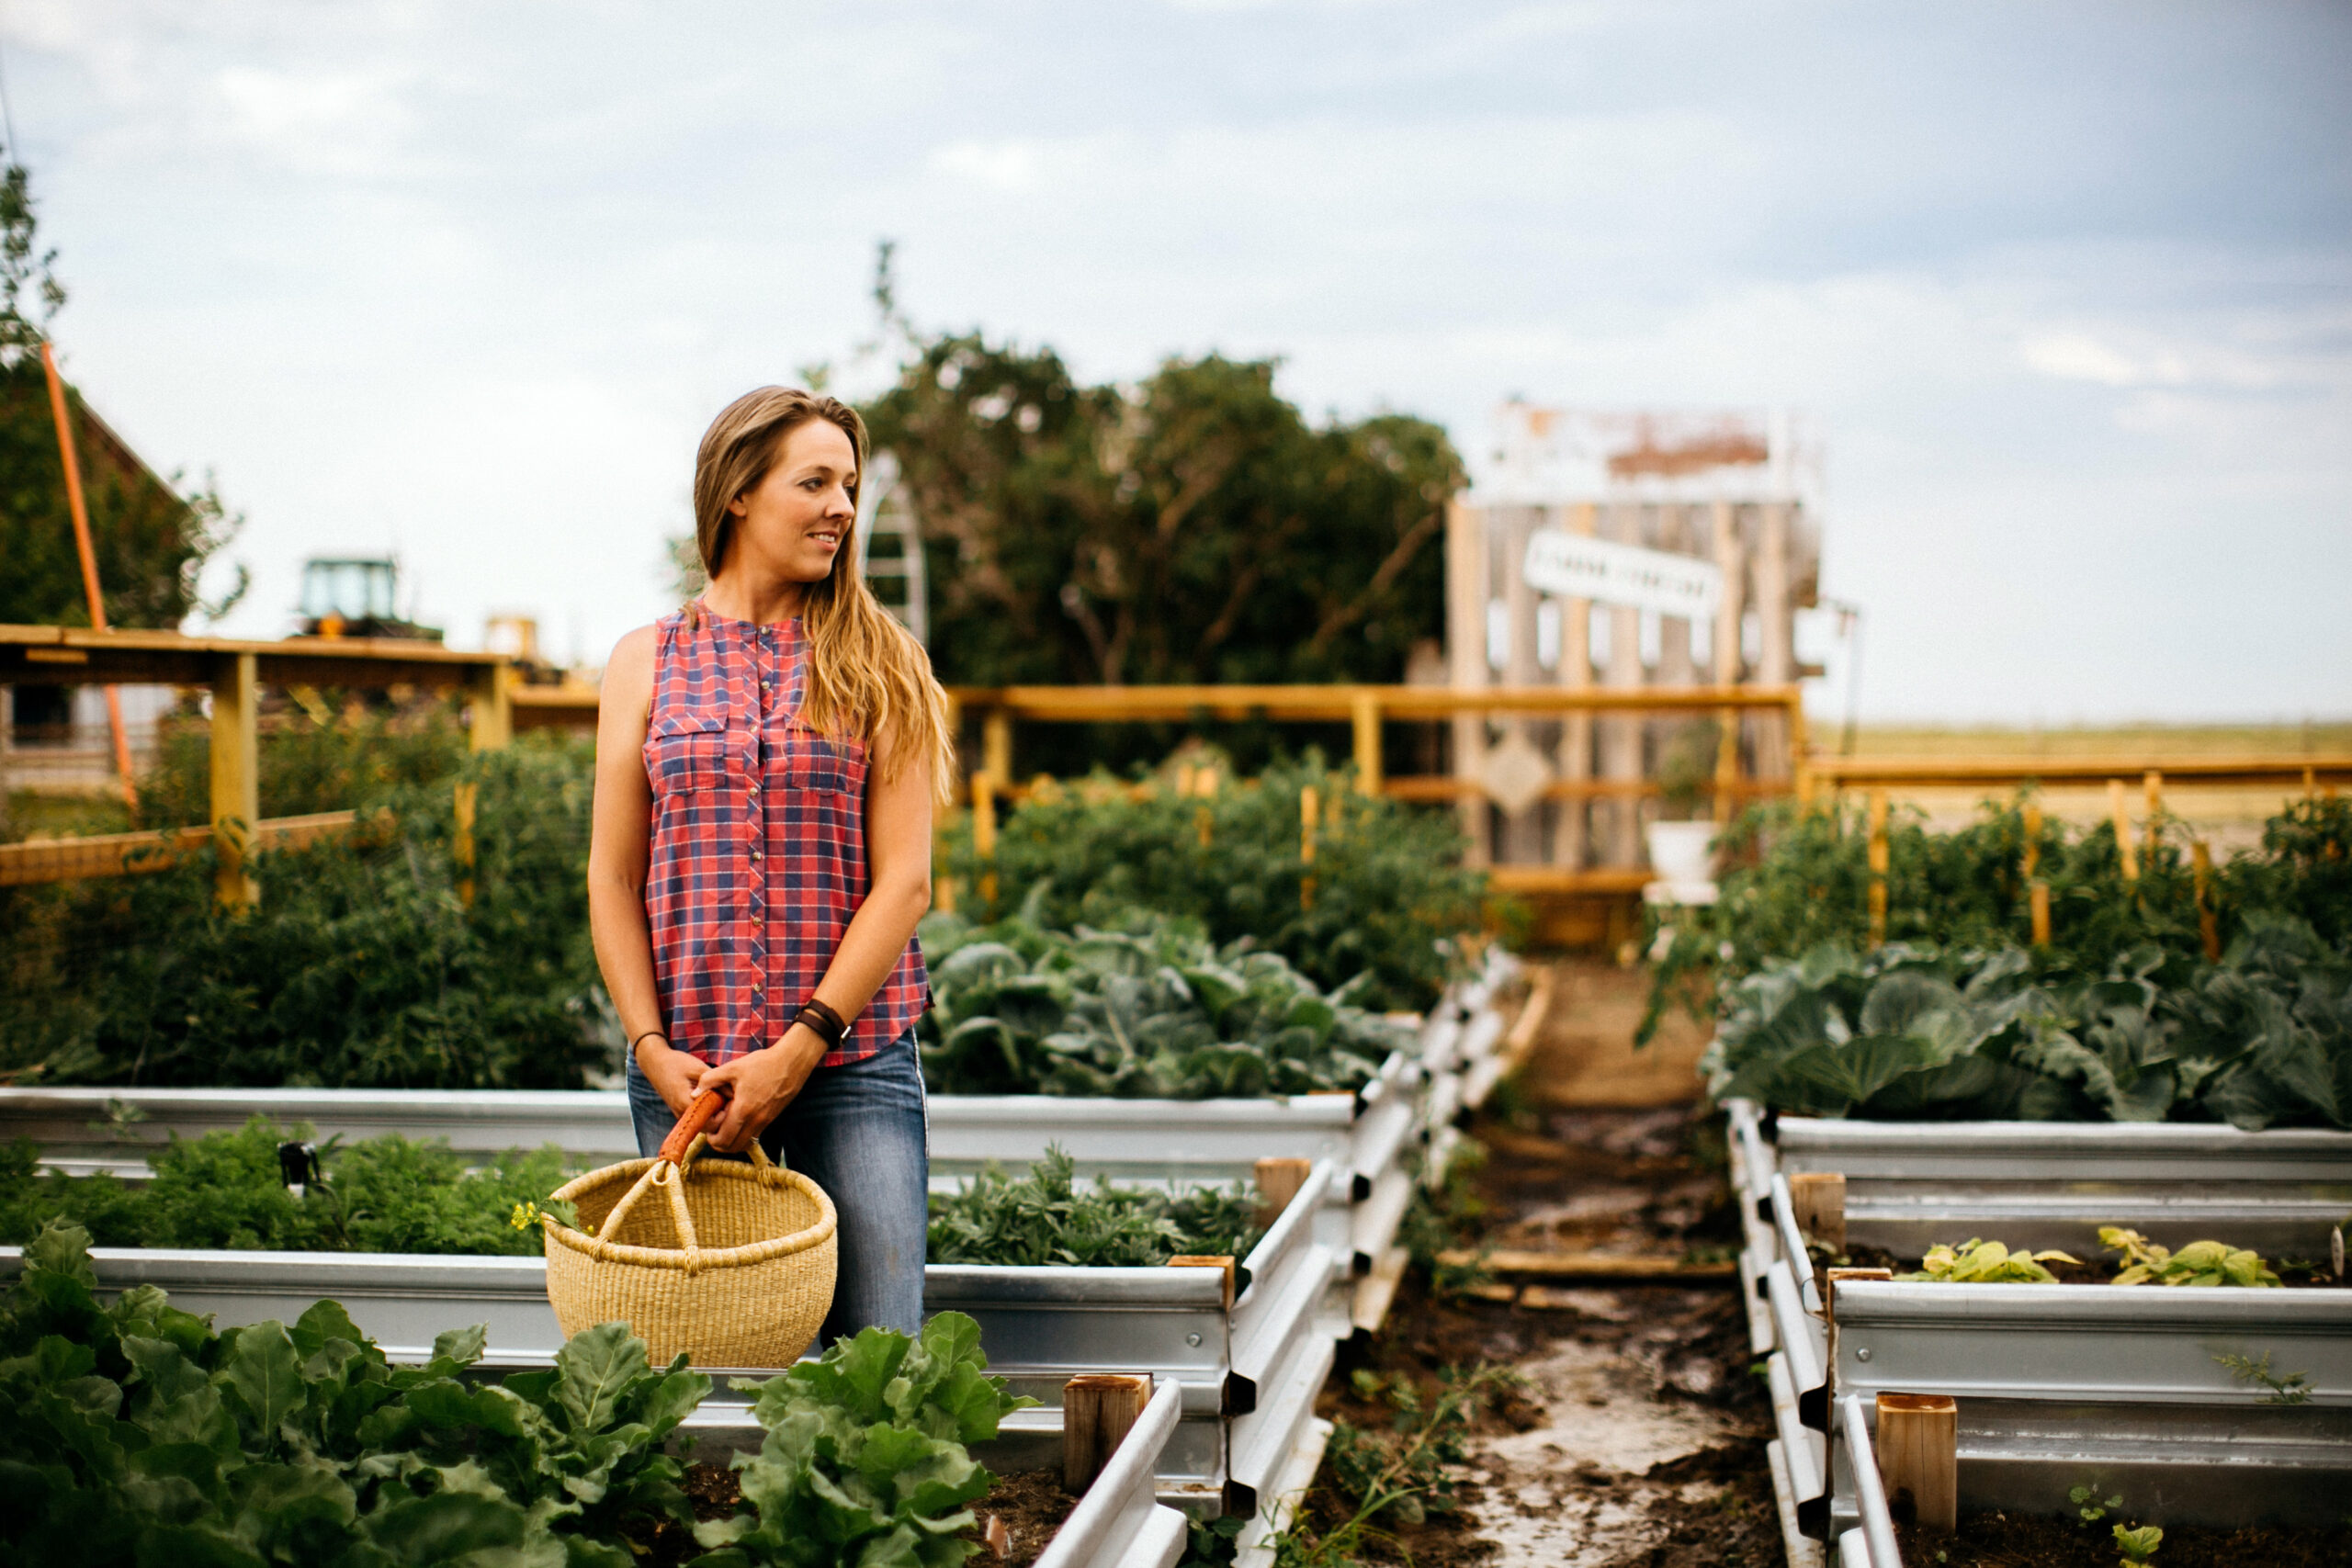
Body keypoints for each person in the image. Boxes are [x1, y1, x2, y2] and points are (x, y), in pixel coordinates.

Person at [587, 387, 951, 1343]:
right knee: (700, 1348)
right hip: (688, 1073)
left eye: (850, 486)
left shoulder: (883, 662)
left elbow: (904, 881)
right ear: (739, 491)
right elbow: (613, 878)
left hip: (851, 1061)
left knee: (878, 1353)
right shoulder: (643, 662)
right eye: (815, 482)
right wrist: (651, 1049)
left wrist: (801, 1048)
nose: (842, 506)